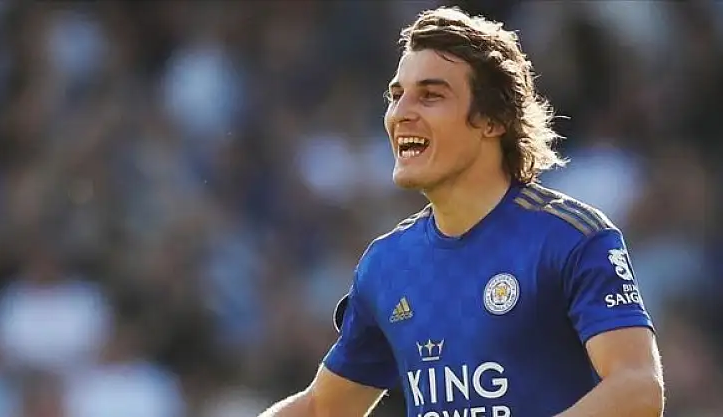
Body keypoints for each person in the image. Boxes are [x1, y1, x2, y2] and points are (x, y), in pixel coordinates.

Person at [260, 6, 664, 417]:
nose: (401, 113)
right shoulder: (387, 265)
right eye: (396, 96)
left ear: (492, 120)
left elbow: (637, 388)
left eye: (431, 96)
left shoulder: (570, 238)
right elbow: (321, 408)